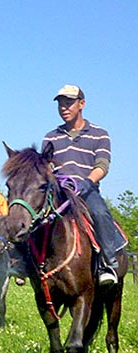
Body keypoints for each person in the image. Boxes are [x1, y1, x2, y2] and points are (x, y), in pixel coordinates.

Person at [42, 84, 119, 286]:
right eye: (60, 104)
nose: (64, 108)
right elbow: (45, 166)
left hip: (86, 190)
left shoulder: (99, 134)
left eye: (69, 103)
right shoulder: (51, 137)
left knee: (101, 214)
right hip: (59, 192)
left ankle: (107, 264)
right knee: (34, 216)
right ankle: (26, 262)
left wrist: (88, 182)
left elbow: (102, 165)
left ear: (81, 104)